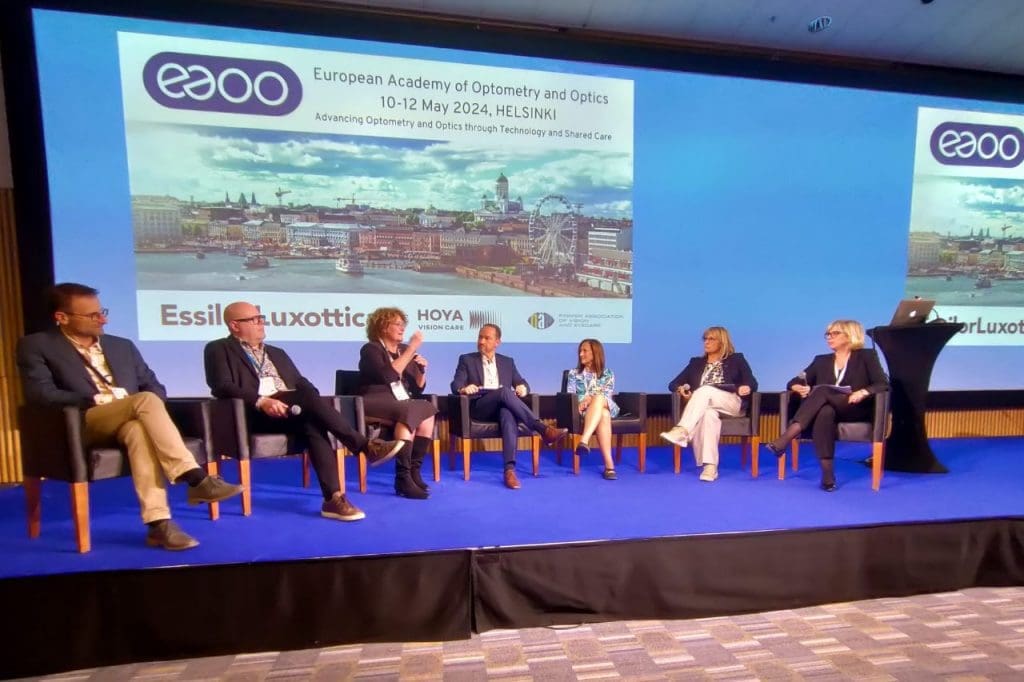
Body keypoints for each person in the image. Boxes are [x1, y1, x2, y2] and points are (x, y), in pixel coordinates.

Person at [16, 283, 244, 550]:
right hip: (82, 422)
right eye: (92, 315)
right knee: (143, 401)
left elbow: (155, 387)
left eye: (102, 312)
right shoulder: (37, 345)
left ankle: (159, 524)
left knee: (138, 428)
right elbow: (40, 393)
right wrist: (94, 399)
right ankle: (195, 478)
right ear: (62, 317)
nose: (103, 319)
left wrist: (140, 404)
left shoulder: (121, 346)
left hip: (130, 417)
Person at [204, 301, 401, 521]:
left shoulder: (276, 352)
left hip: (291, 409)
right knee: (308, 403)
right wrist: (262, 401)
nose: (261, 323)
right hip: (254, 413)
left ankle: (333, 498)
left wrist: (311, 398)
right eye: (254, 319)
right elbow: (221, 386)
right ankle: (364, 445)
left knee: (312, 419)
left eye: (261, 318)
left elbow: (300, 381)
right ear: (234, 325)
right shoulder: (219, 348)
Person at [765, 319, 889, 492]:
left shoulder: (866, 356)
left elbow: (882, 384)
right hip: (829, 408)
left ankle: (786, 437)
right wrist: (798, 387)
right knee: (825, 412)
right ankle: (828, 475)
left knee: (822, 391)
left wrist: (862, 392)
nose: (829, 337)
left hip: (854, 407)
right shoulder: (821, 360)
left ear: (849, 335)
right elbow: (793, 381)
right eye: (828, 334)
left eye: (834, 333)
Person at [451, 323, 568, 489]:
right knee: (505, 392)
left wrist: (523, 388)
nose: (481, 341)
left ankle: (509, 471)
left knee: (507, 412)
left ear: (497, 342)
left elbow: (522, 382)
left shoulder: (507, 362)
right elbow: (455, 384)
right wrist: (464, 388)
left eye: (487, 338)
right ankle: (542, 429)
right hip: (479, 407)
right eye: (480, 337)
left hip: (501, 407)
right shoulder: (467, 360)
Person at [357, 307, 439, 500]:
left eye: (404, 325)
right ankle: (402, 477)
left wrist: (421, 371)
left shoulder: (402, 351)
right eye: (398, 324)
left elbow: (417, 389)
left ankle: (413, 472)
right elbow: (388, 376)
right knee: (409, 410)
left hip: (399, 402)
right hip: (373, 400)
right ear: (383, 327)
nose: (402, 329)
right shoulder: (371, 349)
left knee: (427, 411)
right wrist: (411, 349)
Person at [660, 326, 757, 482]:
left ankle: (683, 430)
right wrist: (681, 389)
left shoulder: (736, 359)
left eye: (711, 339)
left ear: (722, 341)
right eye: (705, 339)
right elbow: (673, 384)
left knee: (705, 390)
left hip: (731, 402)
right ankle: (710, 467)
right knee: (707, 415)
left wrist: (746, 387)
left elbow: (752, 382)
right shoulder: (696, 363)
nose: (706, 342)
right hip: (706, 404)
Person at [566, 338, 619, 480]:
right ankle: (609, 466)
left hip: (605, 403)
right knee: (604, 415)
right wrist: (582, 402)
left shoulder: (608, 373)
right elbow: (570, 395)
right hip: (584, 410)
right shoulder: (574, 374)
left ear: (595, 353)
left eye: (585, 351)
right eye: (580, 351)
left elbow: (606, 394)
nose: (581, 354)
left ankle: (584, 440)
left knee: (600, 399)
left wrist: (590, 399)